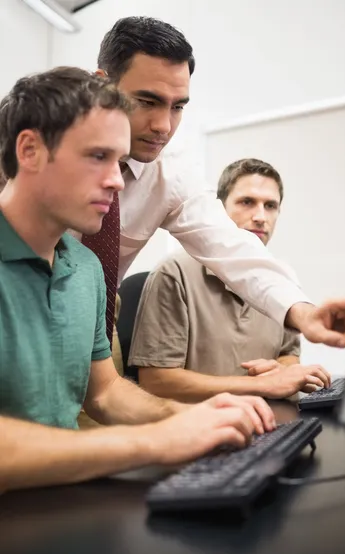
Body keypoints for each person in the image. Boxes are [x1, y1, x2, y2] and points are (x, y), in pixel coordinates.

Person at [0, 67, 275, 492]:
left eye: (118, 159)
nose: (115, 179)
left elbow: (105, 392)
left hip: (55, 506)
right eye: (97, 157)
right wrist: (152, 441)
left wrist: (186, 417)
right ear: (30, 150)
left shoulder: (87, 268)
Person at [82, 16, 345, 350]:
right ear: (101, 85)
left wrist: (304, 313)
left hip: (92, 328)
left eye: (178, 107)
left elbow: (234, 249)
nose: (163, 126)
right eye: (147, 102)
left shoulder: (170, 173)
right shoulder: (39, 148)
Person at [129, 158, 331, 402]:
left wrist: (285, 370)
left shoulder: (282, 281)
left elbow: (288, 353)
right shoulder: (174, 274)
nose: (260, 216)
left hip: (268, 424)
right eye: (247, 202)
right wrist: (260, 385)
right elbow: (156, 382)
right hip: (198, 428)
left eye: (270, 206)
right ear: (220, 209)